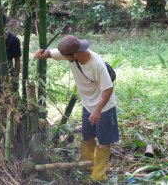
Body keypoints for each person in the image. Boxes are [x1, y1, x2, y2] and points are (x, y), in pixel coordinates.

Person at [34, 35, 119, 181]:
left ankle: (99, 176)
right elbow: (50, 53)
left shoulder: (96, 64)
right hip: (87, 104)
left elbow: (108, 89)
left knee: (103, 143)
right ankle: (88, 168)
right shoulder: (71, 54)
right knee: (87, 138)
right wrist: (42, 52)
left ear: (75, 53)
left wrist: (98, 110)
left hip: (104, 107)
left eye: (66, 57)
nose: (64, 58)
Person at [0, 15, 21, 91]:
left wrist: (15, 78)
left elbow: (17, 61)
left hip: (7, 74)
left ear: (3, 25)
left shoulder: (13, 40)